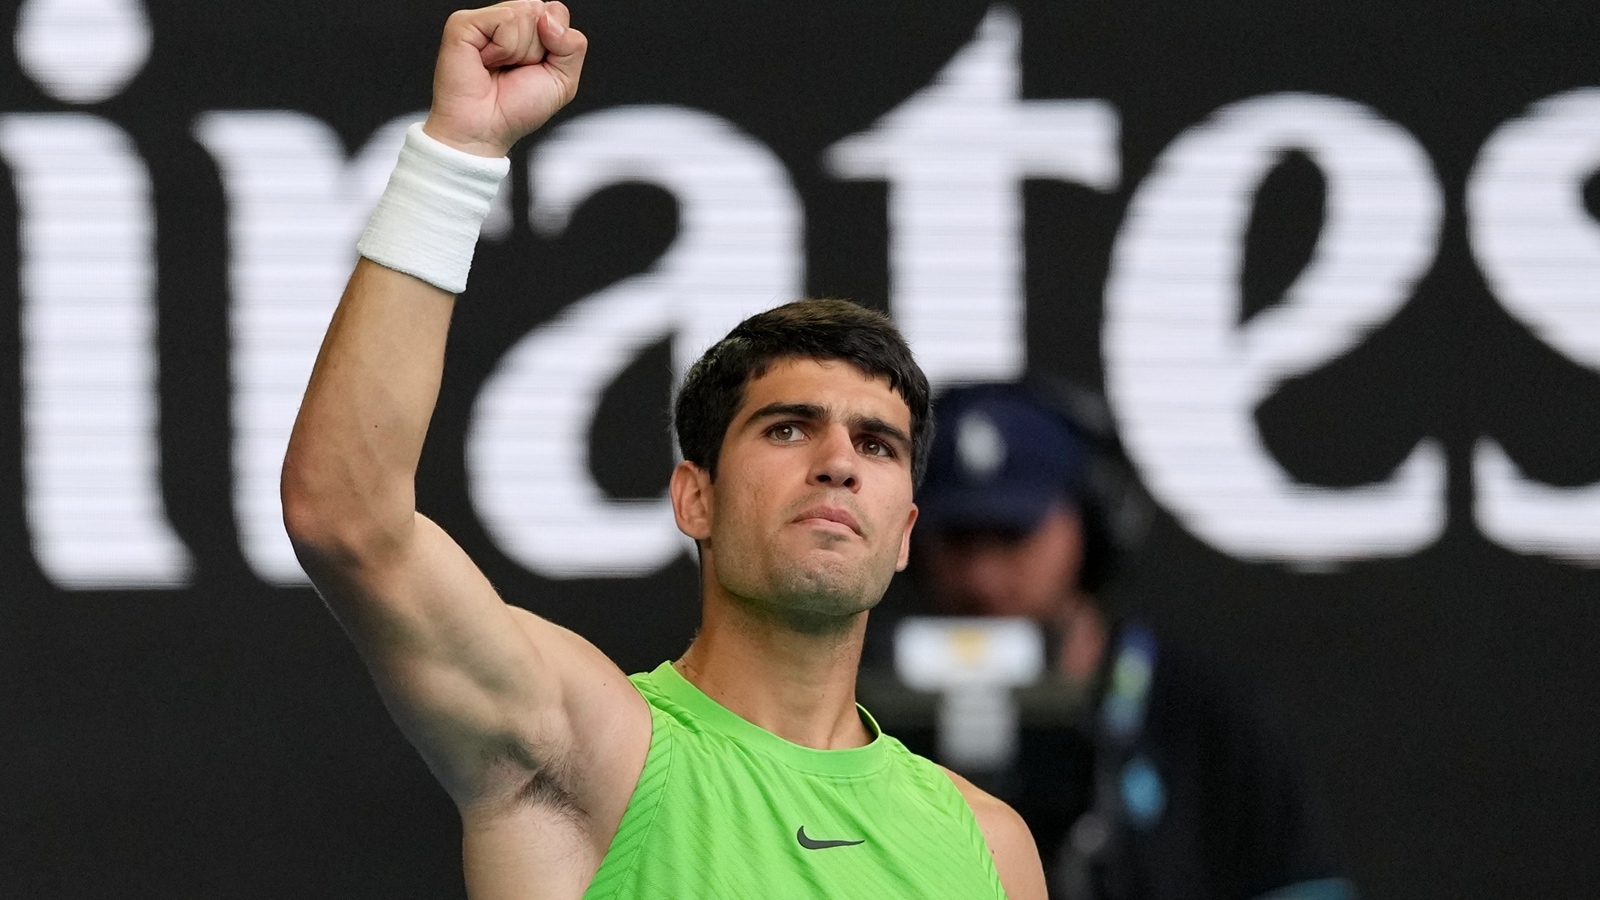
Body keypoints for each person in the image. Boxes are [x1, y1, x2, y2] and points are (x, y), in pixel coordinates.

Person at [279, 2, 1047, 898]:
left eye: (876, 445)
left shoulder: (993, 847)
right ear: (696, 499)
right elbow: (346, 515)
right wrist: (458, 151)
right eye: (788, 427)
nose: (837, 460)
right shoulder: (585, 749)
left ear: (906, 531)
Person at [910, 380, 1354, 900]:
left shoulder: (1207, 719)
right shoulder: (856, 723)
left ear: (1096, 525)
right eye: (959, 538)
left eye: (1014, 534)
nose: (982, 577)